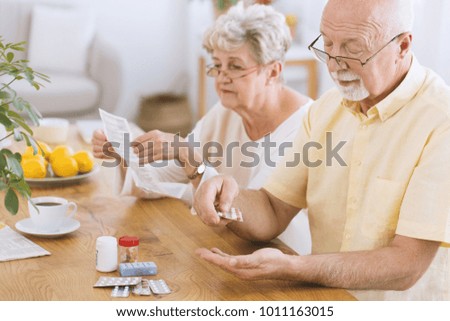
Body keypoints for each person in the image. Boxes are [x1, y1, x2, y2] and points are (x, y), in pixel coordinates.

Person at [193, 0, 450, 300]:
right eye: (327, 44)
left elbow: (406, 264)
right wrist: (226, 193)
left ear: (403, 46)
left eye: (353, 48)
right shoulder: (326, 109)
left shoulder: (440, 121)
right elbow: (273, 209)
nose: (334, 64)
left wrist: (293, 266)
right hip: (326, 301)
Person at [92, 3, 313, 253]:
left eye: (236, 66)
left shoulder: (303, 125)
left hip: (279, 257)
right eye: (217, 65)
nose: (222, 77)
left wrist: (188, 154)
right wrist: (126, 153)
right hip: (228, 246)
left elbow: (259, 222)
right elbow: (165, 179)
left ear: (273, 71)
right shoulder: (226, 111)